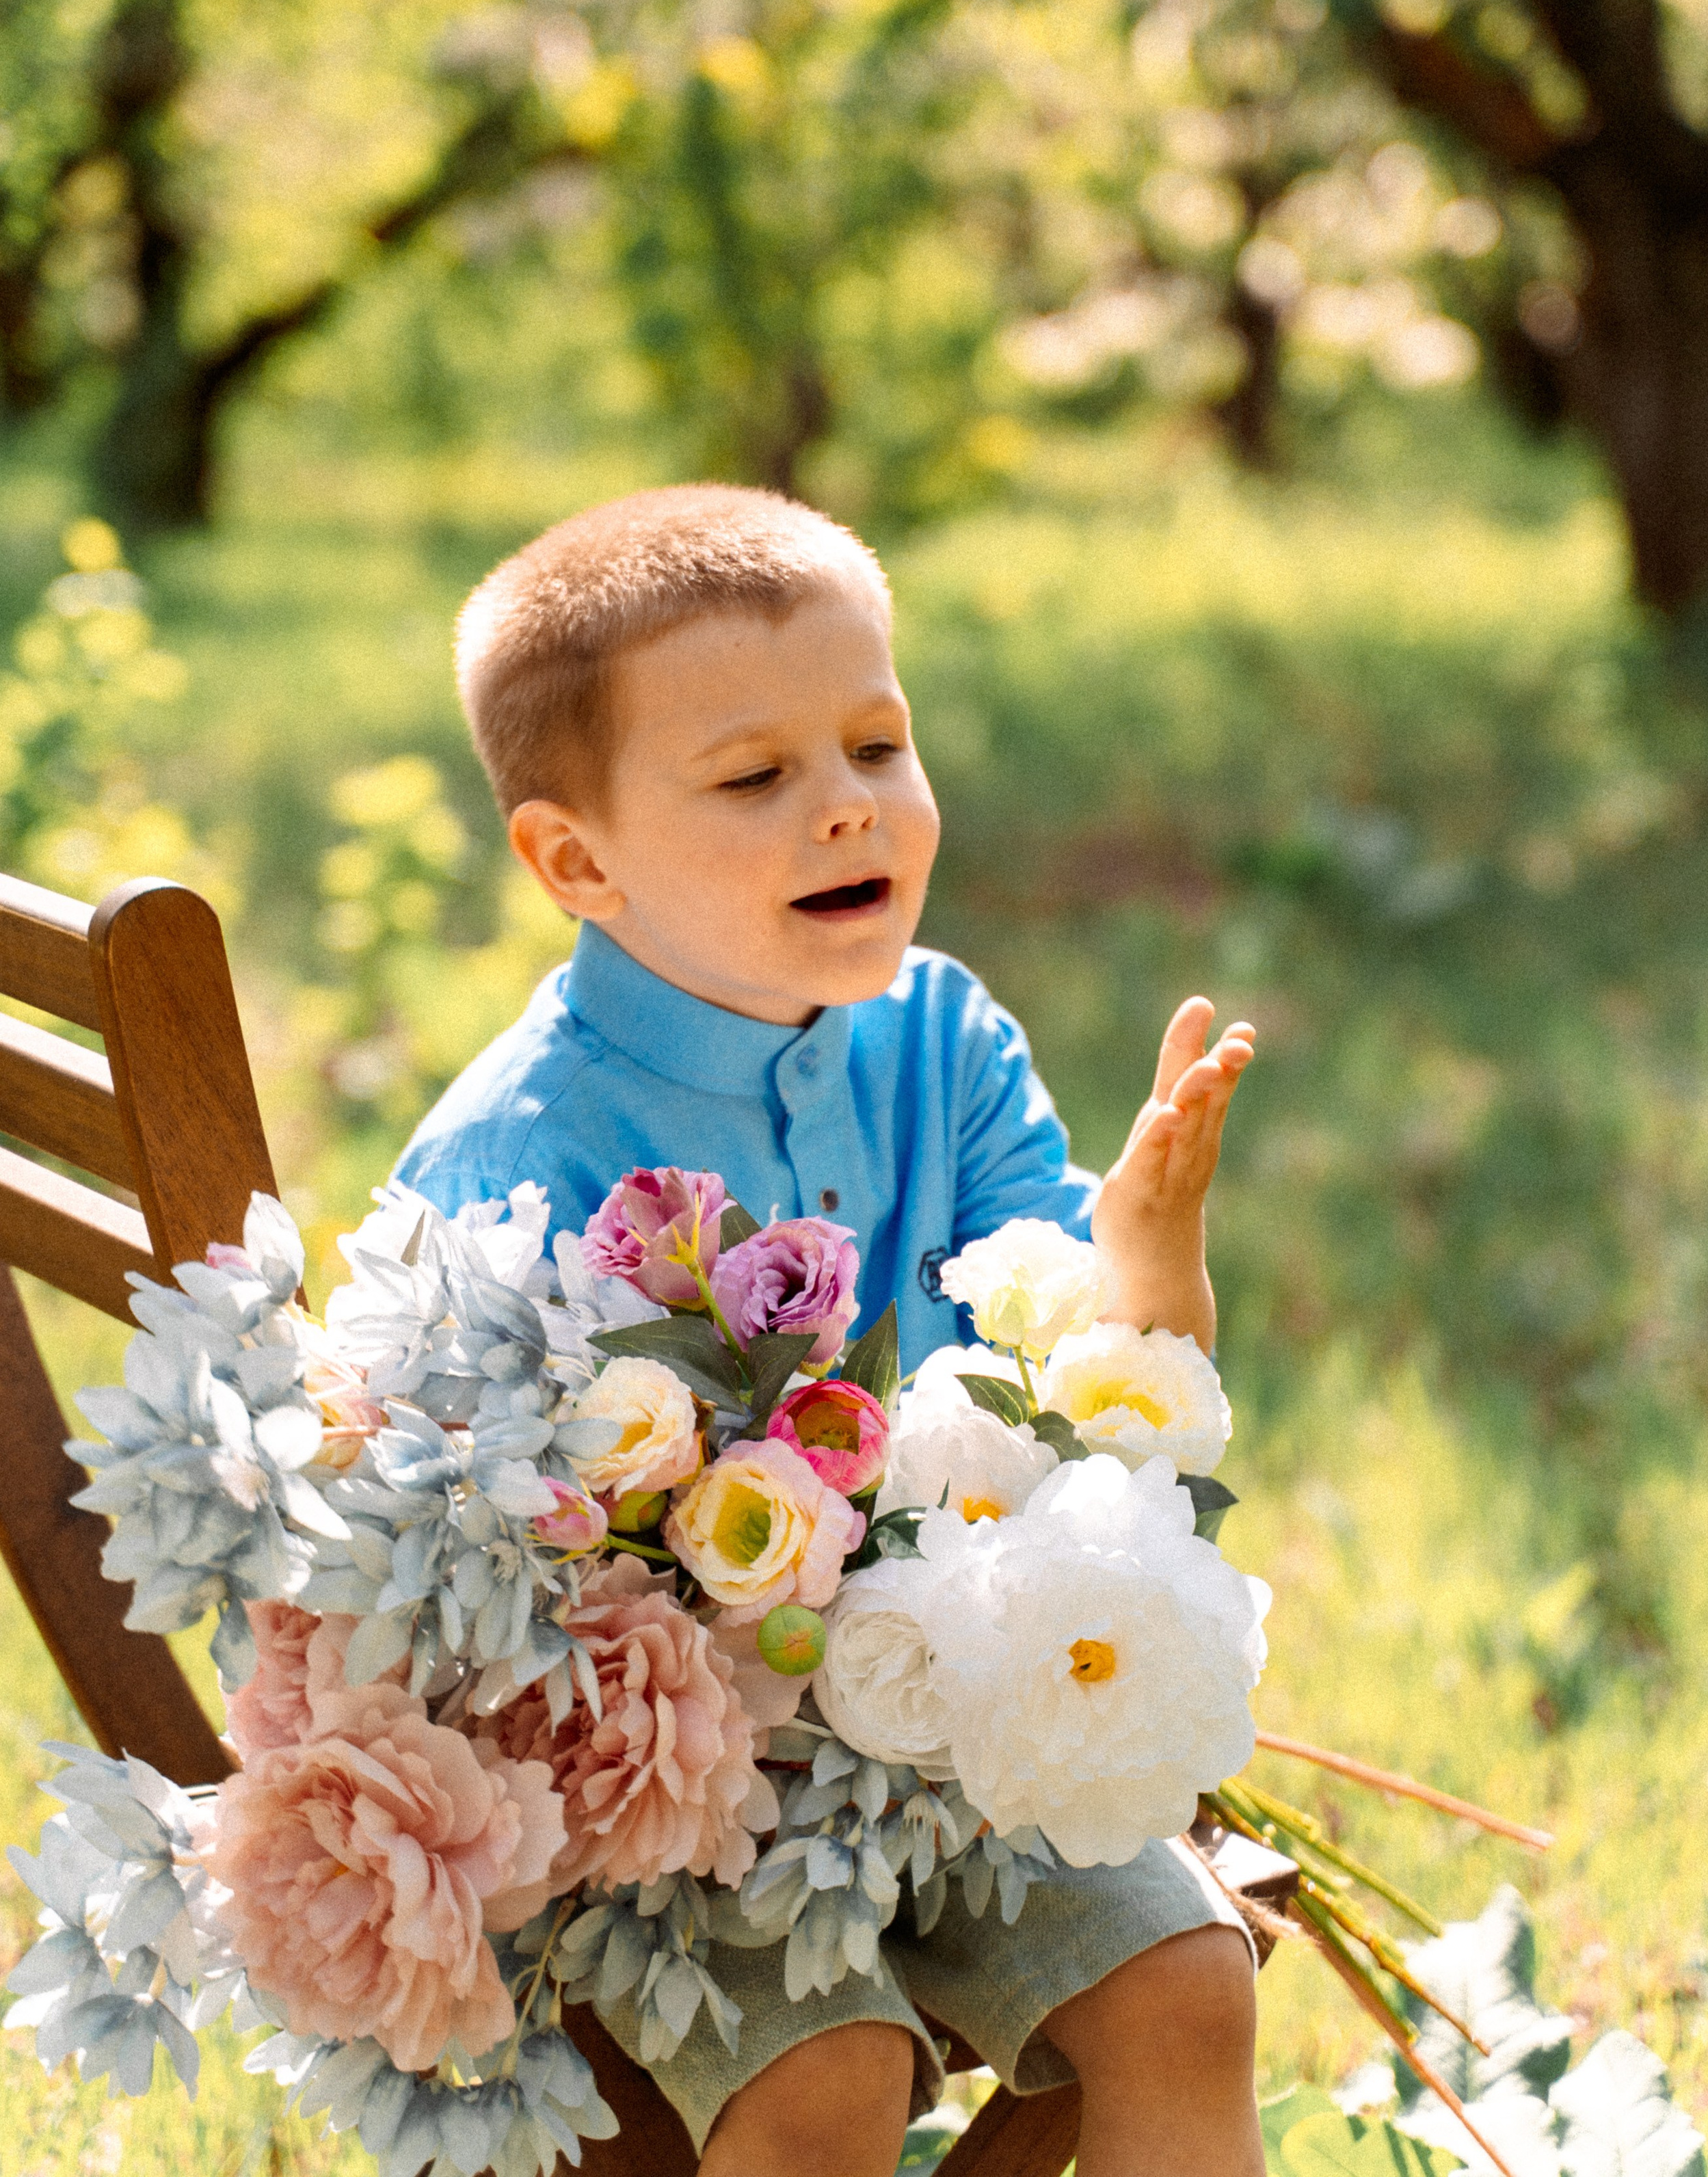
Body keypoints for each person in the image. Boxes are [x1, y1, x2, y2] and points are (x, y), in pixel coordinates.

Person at [395, 482, 1263, 2177]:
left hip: (954, 1709)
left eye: (876, 745)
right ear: (578, 860)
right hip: (660, 1798)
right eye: (753, 778)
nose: (846, 812)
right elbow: (490, 1607)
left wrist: (1149, 1253)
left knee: (1185, 1983)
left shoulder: (939, 1035)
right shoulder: (516, 1169)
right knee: (830, 2081)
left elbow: (1088, 1403)